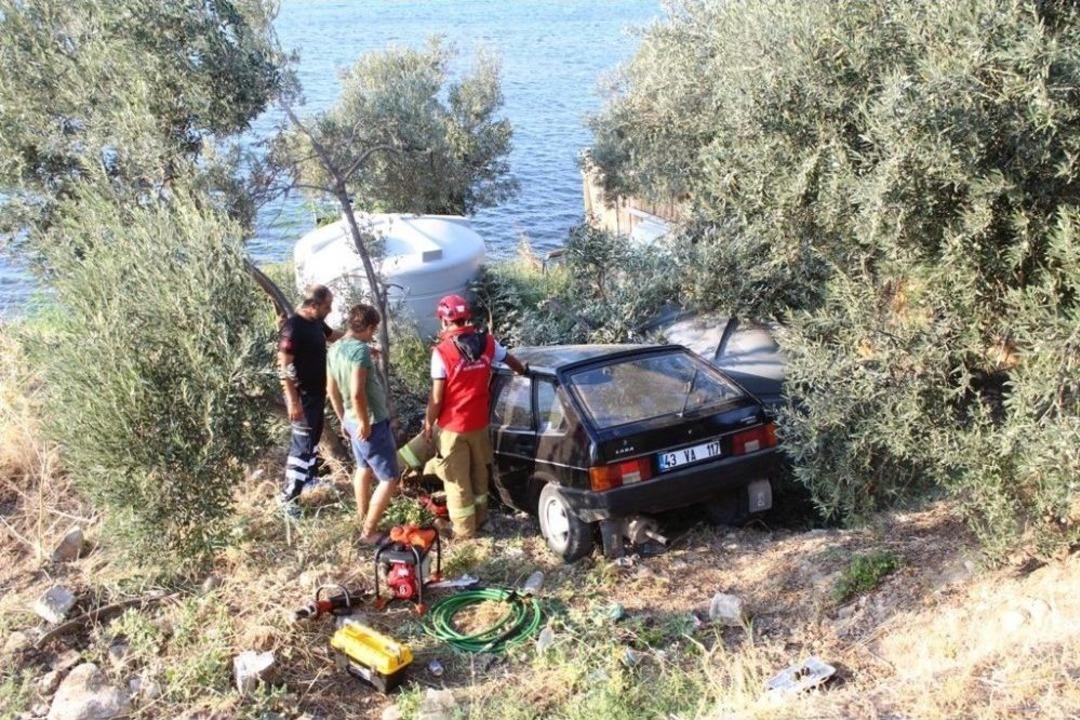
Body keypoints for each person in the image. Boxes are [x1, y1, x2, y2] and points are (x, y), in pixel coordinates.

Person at [423, 294, 528, 538]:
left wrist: (429, 424)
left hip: (453, 427)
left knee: (458, 481)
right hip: (480, 424)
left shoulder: (442, 352)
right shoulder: (488, 343)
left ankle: (464, 531)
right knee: (479, 473)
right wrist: (524, 371)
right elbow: (512, 361)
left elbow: (437, 398)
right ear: (467, 317)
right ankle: (481, 519)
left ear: (444, 321)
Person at [326, 304, 399, 543]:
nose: (373, 335)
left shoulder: (335, 349)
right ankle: (368, 531)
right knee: (389, 479)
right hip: (371, 422)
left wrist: (344, 420)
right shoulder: (360, 352)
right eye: (373, 330)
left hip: (351, 420)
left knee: (363, 468)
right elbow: (357, 393)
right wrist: (365, 423)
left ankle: (362, 515)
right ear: (368, 327)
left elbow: (332, 390)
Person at [277, 284, 342, 517]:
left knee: (313, 440)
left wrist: (359, 339)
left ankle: (309, 481)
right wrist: (293, 402)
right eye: (327, 305)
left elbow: (332, 336)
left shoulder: (315, 321)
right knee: (301, 446)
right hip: (302, 397)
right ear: (314, 305)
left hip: (315, 395)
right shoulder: (294, 328)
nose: (331, 309)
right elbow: (284, 367)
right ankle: (287, 499)